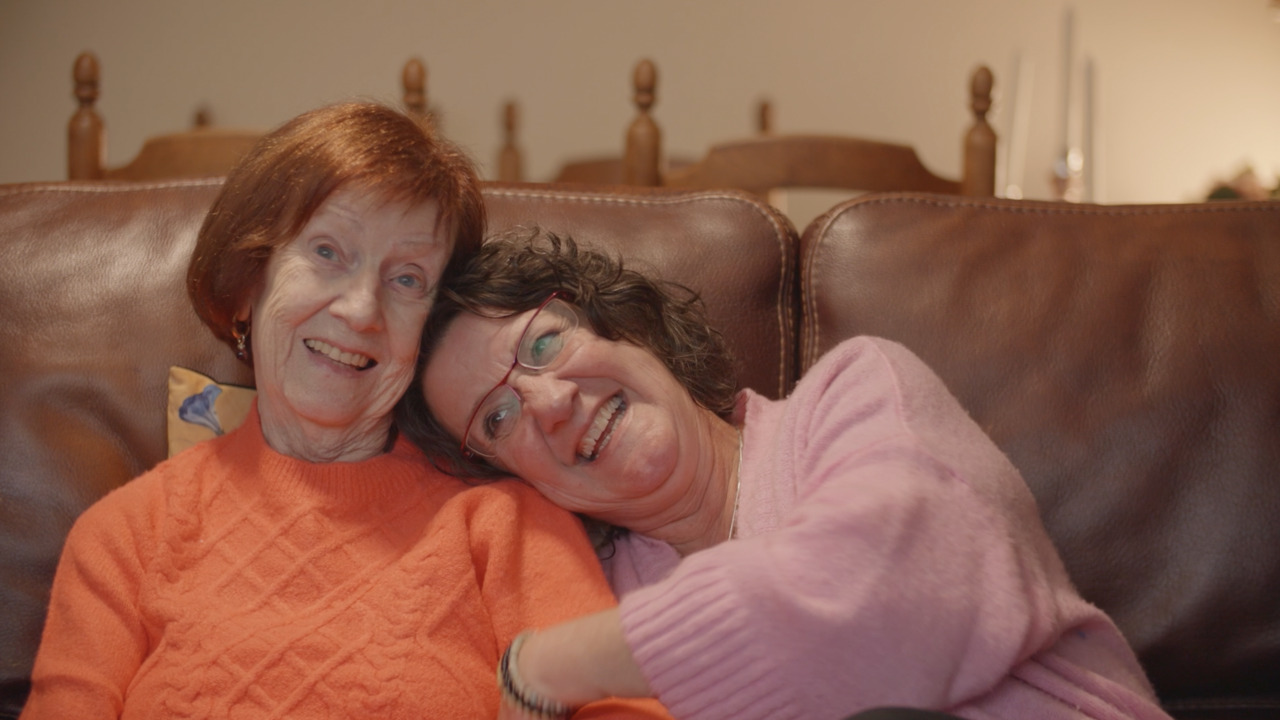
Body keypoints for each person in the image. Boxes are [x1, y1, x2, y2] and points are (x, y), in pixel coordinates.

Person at [21, 104, 668, 720]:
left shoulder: (503, 524)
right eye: (328, 252)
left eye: (407, 278)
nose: (361, 310)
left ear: (429, 329)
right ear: (249, 282)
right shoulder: (125, 537)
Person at [398, 229, 1177, 720]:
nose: (550, 403)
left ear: (620, 324)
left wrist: (543, 666)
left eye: (543, 345)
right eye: (498, 419)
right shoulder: (587, 587)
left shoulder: (854, 394)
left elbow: (883, 600)